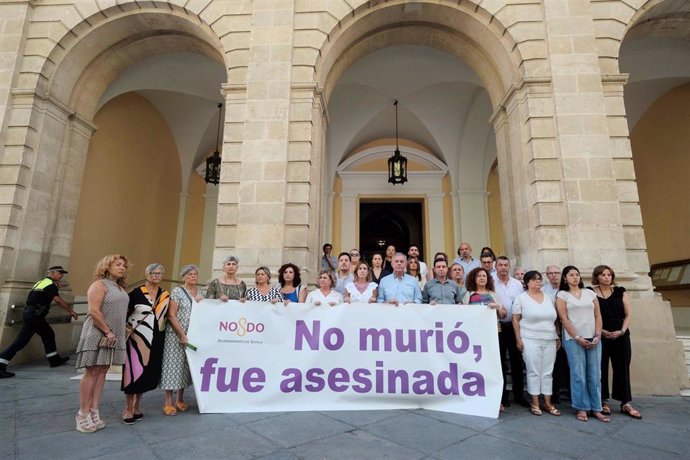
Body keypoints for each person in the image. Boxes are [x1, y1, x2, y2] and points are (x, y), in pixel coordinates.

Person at [75, 255, 130, 433]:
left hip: (113, 335)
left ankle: (94, 410)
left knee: (102, 371)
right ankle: (82, 414)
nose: (122, 268)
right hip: (98, 332)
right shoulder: (99, 284)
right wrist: (107, 331)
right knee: (91, 371)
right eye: (118, 264)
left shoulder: (120, 287)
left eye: (124, 265)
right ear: (107, 266)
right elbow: (93, 310)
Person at [0, 266, 78, 378]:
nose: (62, 275)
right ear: (52, 273)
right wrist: (70, 310)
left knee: (48, 334)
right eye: (60, 273)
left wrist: (56, 287)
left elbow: (41, 295)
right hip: (34, 315)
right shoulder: (50, 285)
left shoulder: (42, 282)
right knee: (21, 341)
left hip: (34, 314)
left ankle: (54, 359)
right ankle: (1, 363)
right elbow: (57, 299)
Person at [556, 265, 608, 423]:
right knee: (578, 374)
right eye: (571, 275)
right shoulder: (562, 295)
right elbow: (563, 319)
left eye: (577, 274)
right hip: (574, 339)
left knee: (595, 374)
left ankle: (597, 408)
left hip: (594, 337)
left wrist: (598, 335)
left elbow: (598, 315)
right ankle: (581, 407)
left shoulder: (590, 293)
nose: (575, 277)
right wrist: (577, 336)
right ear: (565, 278)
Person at [590, 265, 641, 419]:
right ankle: (603, 400)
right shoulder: (591, 292)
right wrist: (601, 331)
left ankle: (625, 402)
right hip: (601, 335)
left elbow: (628, 314)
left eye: (609, 274)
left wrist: (622, 331)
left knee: (622, 368)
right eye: (603, 274)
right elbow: (590, 315)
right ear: (597, 277)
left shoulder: (620, 292)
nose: (607, 277)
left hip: (621, 335)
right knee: (601, 368)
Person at [121, 263, 169, 424]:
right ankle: (128, 408)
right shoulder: (136, 293)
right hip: (136, 338)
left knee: (146, 372)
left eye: (159, 273)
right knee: (132, 371)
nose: (156, 276)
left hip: (156, 339)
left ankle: (136, 406)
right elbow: (124, 313)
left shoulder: (165, 294)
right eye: (153, 273)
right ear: (147, 275)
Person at [512, 271, 561, 416]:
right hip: (529, 338)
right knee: (533, 370)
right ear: (527, 282)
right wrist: (518, 339)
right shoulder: (521, 298)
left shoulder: (549, 297)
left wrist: (557, 335)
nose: (538, 281)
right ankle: (535, 402)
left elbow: (556, 318)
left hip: (549, 338)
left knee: (547, 371)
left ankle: (547, 402)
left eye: (539, 279)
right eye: (534, 279)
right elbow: (515, 319)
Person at [160, 264, 203, 416]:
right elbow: (171, 315)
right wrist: (181, 334)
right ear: (183, 276)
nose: (193, 276)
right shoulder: (178, 291)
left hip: (193, 336)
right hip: (176, 335)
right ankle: (168, 402)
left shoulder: (200, 292)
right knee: (172, 367)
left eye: (195, 274)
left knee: (185, 367)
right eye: (190, 274)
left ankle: (180, 399)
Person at [463, 267, 506, 410]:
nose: (482, 278)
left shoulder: (493, 294)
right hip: (475, 336)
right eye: (479, 276)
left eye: (484, 276)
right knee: (476, 366)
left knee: (493, 366)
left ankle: (496, 399)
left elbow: (503, 314)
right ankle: (476, 395)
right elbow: (462, 313)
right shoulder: (469, 294)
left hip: (493, 334)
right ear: (473, 279)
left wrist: (497, 308)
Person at [494, 256, 528, 408]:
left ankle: (519, 394)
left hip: (515, 325)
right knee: (500, 361)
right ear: (496, 266)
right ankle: (502, 396)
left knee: (516, 360)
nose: (503, 268)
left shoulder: (517, 284)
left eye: (506, 265)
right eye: (500, 265)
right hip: (498, 326)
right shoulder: (491, 282)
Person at [542, 264, 569, 402]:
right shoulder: (543, 291)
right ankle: (555, 393)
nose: (554, 275)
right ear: (546, 275)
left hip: (571, 327)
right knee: (555, 363)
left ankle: (571, 391)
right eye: (551, 273)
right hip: (554, 328)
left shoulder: (568, 288)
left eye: (557, 272)